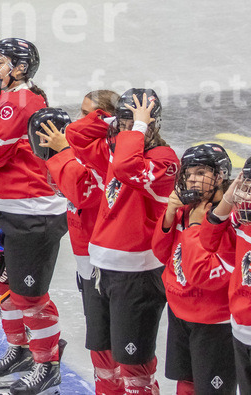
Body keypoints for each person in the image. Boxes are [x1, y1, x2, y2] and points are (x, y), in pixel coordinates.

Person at [65, 89, 179, 395]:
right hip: (101, 266)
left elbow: (129, 168)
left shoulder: (165, 161)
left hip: (137, 274)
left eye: (136, 122)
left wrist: (136, 127)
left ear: (153, 124)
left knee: (134, 367)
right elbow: (75, 135)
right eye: (125, 122)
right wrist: (115, 118)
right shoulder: (117, 148)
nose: (127, 128)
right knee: (102, 354)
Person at [0, 39, 68, 392]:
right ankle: (19, 349)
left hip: (34, 214)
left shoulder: (20, 103)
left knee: (31, 297)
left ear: (20, 69)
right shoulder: (6, 99)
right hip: (9, 208)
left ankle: (47, 364)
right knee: (1, 286)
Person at [38, 90, 121, 392]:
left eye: (91, 114)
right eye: (82, 112)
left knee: (112, 345)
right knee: (99, 343)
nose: (82, 121)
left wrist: (64, 152)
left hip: (105, 264)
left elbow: (83, 193)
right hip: (87, 261)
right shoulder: (86, 148)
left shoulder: (104, 154)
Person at [152, 144, 236, 395]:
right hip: (180, 313)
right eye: (188, 174)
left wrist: (196, 227)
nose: (192, 180)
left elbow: (205, 275)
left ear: (220, 176)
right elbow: (161, 253)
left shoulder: (228, 219)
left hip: (214, 322)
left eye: (200, 172)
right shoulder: (185, 210)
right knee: (185, 384)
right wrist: (169, 214)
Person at [200, 159, 251, 395]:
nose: (246, 195)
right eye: (246, 186)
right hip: (242, 326)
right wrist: (228, 199)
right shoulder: (242, 221)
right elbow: (208, 240)